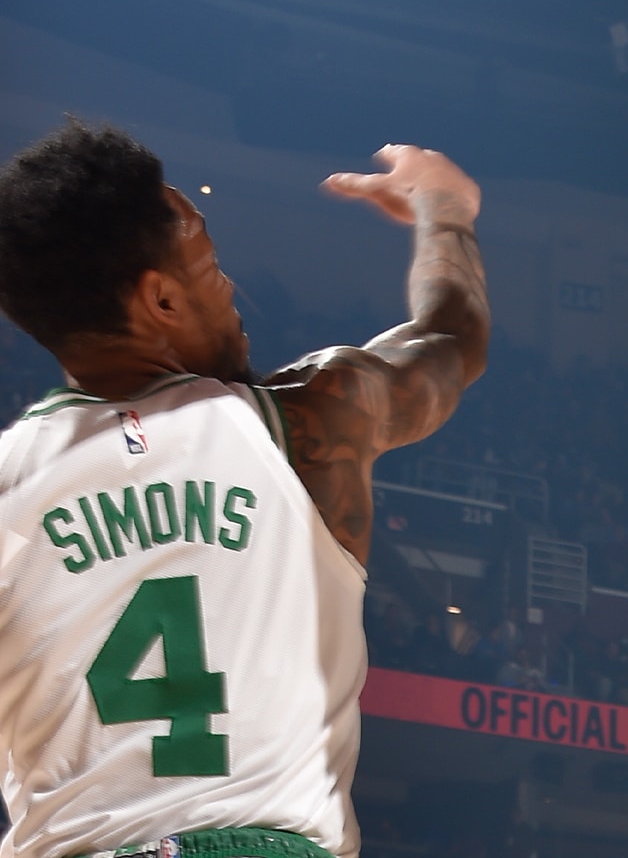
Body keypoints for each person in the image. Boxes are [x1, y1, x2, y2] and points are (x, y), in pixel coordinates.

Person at [0, 124, 489, 858]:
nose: (230, 288)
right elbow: (450, 337)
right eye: (209, 264)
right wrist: (446, 210)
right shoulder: (306, 423)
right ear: (162, 299)